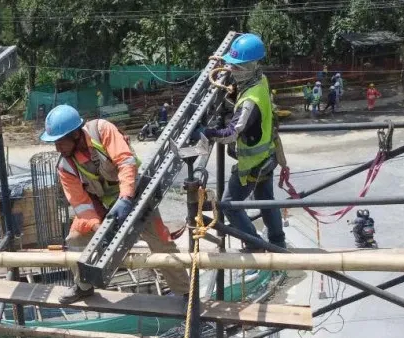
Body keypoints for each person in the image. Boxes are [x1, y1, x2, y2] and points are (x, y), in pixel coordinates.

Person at [40, 104, 190, 303]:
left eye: (60, 141)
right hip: (104, 206)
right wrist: (99, 228)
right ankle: (83, 287)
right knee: (76, 239)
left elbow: (125, 162)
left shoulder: (101, 130)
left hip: (137, 196)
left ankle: (186, 292)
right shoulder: (65, 166)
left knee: (160, 241)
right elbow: (81, 205)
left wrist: (126, 197)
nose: (57, 147)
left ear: (75, 134)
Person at [201, 33, 286, 251]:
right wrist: (224, 63)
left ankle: (254, 243)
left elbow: (230, 133)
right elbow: (237, 76)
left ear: (250, 66)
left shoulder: (250, 101)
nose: (233, 71)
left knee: (229, 205)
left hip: (253, 164)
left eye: (238, 67)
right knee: (266, 201)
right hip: (267, 155)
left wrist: (206, 132)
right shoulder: (260, 79)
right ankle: (278, 242)